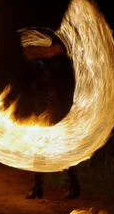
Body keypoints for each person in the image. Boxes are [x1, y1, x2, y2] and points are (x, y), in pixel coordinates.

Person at [16, 26, 81, 200]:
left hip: (58, 109)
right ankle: (38, 188)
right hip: (43, 108)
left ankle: (73, 187)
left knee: (61, 147)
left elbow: (50, 53)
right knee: (39, 148)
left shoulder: (62, 60)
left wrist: (28, 50)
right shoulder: (44, 64)